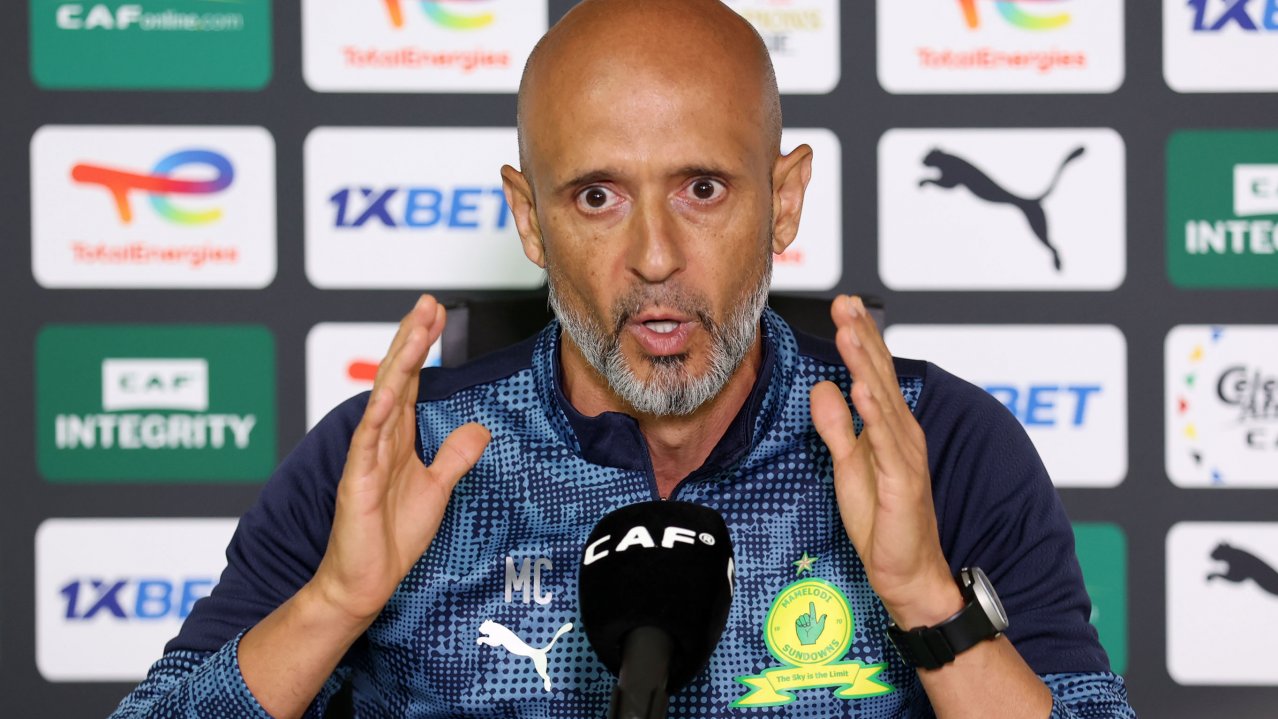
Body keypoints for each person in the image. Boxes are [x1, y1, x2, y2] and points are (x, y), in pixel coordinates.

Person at [111, 1, 1135, 717]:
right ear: (529, 217)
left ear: (783, 200)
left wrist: (925, 603)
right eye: (597, 196)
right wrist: (333, 604)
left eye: (702, 188)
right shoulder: (393, 463)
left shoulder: (936, 446)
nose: (653, 254)